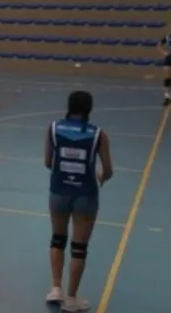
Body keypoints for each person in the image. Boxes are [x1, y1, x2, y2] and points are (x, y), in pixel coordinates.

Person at [44, 90, 113, 312]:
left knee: (57, 239)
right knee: (79, 247)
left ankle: (56, 288)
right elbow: (108, 170)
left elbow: (48, 162)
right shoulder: (99, 135)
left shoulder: (53, 128)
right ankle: (71, 298)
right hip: (85, 195)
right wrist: (101, 176)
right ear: (89, 109)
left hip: (58, 192)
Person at [157, 33, 171, 106]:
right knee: (167, 77)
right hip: (169, 58)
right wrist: (164, 53)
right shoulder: (167, 37)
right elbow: (158, 46)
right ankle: (167, 97)